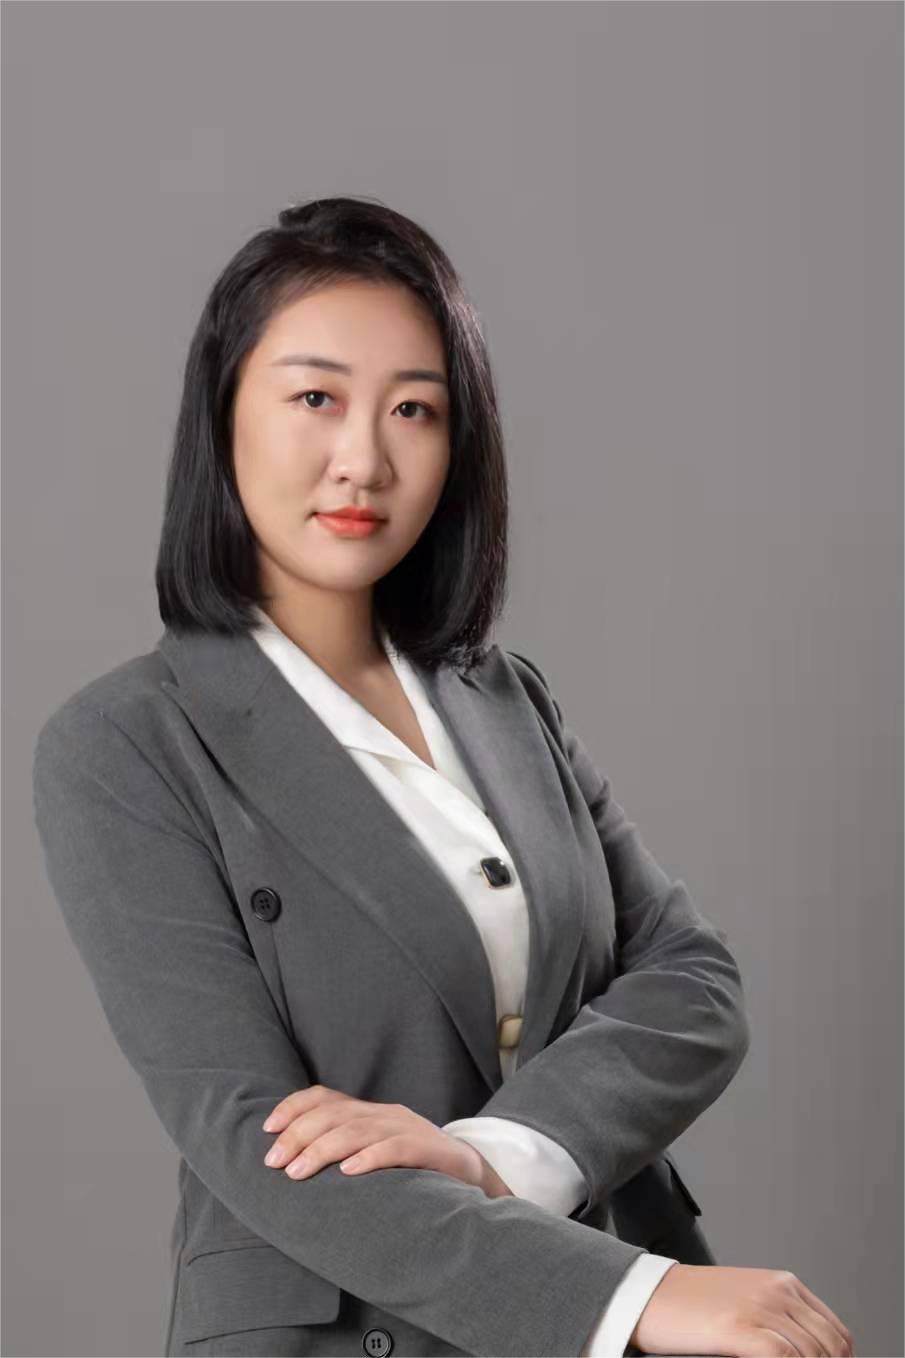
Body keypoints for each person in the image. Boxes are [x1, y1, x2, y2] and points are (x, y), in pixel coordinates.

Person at [32, 196, 855, 1358]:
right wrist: (626, 1297)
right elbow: (255, 1138)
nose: (364, 458)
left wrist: (495, 1155)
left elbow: (691, 980)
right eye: (315, 397)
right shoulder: (125, 744)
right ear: (223, 414)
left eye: (413, 408)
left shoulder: (503, 697)